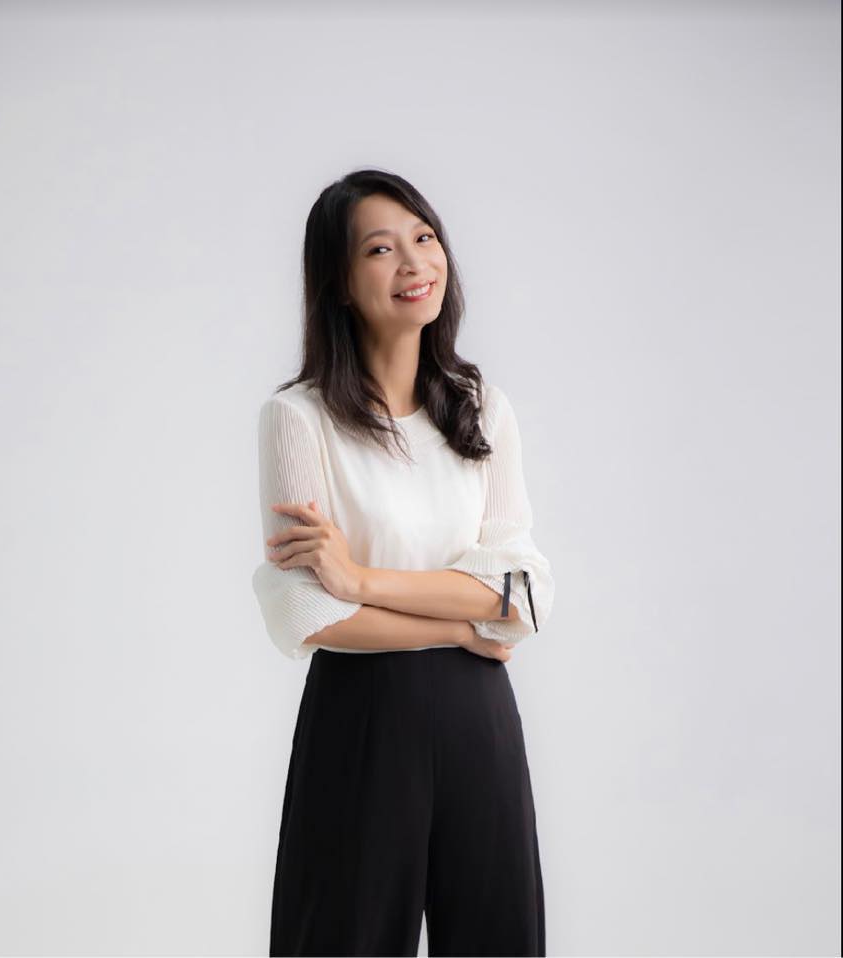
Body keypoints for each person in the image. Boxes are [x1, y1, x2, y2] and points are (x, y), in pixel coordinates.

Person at [251, 168, 555, 957]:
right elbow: (309, 614)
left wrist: (359, 580)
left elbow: (521, 596)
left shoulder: (479, 406)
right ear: (340, 282)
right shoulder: (299, 420)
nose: (414, 262)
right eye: (381, 249)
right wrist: (462, 626)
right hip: (361, 720)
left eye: (424, 237)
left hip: (478, 723)